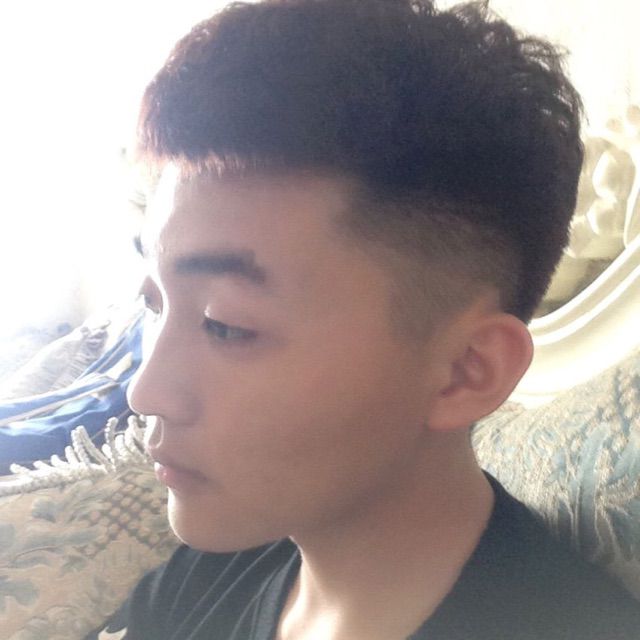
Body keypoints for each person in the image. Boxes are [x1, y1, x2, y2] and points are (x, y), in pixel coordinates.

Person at [87, 0, 640, 638]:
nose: (146, 392)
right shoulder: (211, 573)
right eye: (155, 305)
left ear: (466, 372)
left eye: (225, 324)